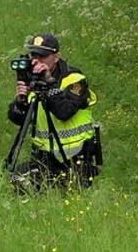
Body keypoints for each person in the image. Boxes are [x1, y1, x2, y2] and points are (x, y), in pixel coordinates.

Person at [6, 32, 102, 192]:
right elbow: (18, 119)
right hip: (44, 157)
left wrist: (49, 84)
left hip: (75, 158)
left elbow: (64, 112)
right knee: (16, 182)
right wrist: (20, 101)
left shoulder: (75, 80)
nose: (36, 61)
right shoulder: (33, 80)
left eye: (42, 56)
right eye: (33, 55)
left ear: (56, 57)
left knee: (71, 200)